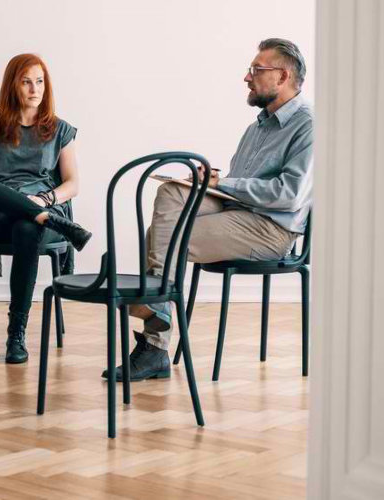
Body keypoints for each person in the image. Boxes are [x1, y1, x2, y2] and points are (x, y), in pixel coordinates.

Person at [106, 38, 315, 382]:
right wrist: (213, 182)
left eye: (255, 70)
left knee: (166, 238)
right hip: (239, 209)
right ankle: (157, 310)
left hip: (271, 228)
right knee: (172, 191)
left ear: (281, 76)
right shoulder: (257, 127)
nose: (247, 78)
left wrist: (223, 185)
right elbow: (241, 183)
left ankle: (154, 341)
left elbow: (290, 194)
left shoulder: (307, 125)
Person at [0, 53, 94, 364]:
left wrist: (45, 201)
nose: (34, 89)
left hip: (38, 218)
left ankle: (15, 333)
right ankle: (49, 220)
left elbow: (72, 184)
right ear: (12, 87)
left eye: (39, 81)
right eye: (26, 82)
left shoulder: (61, 130)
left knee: (28, 227)